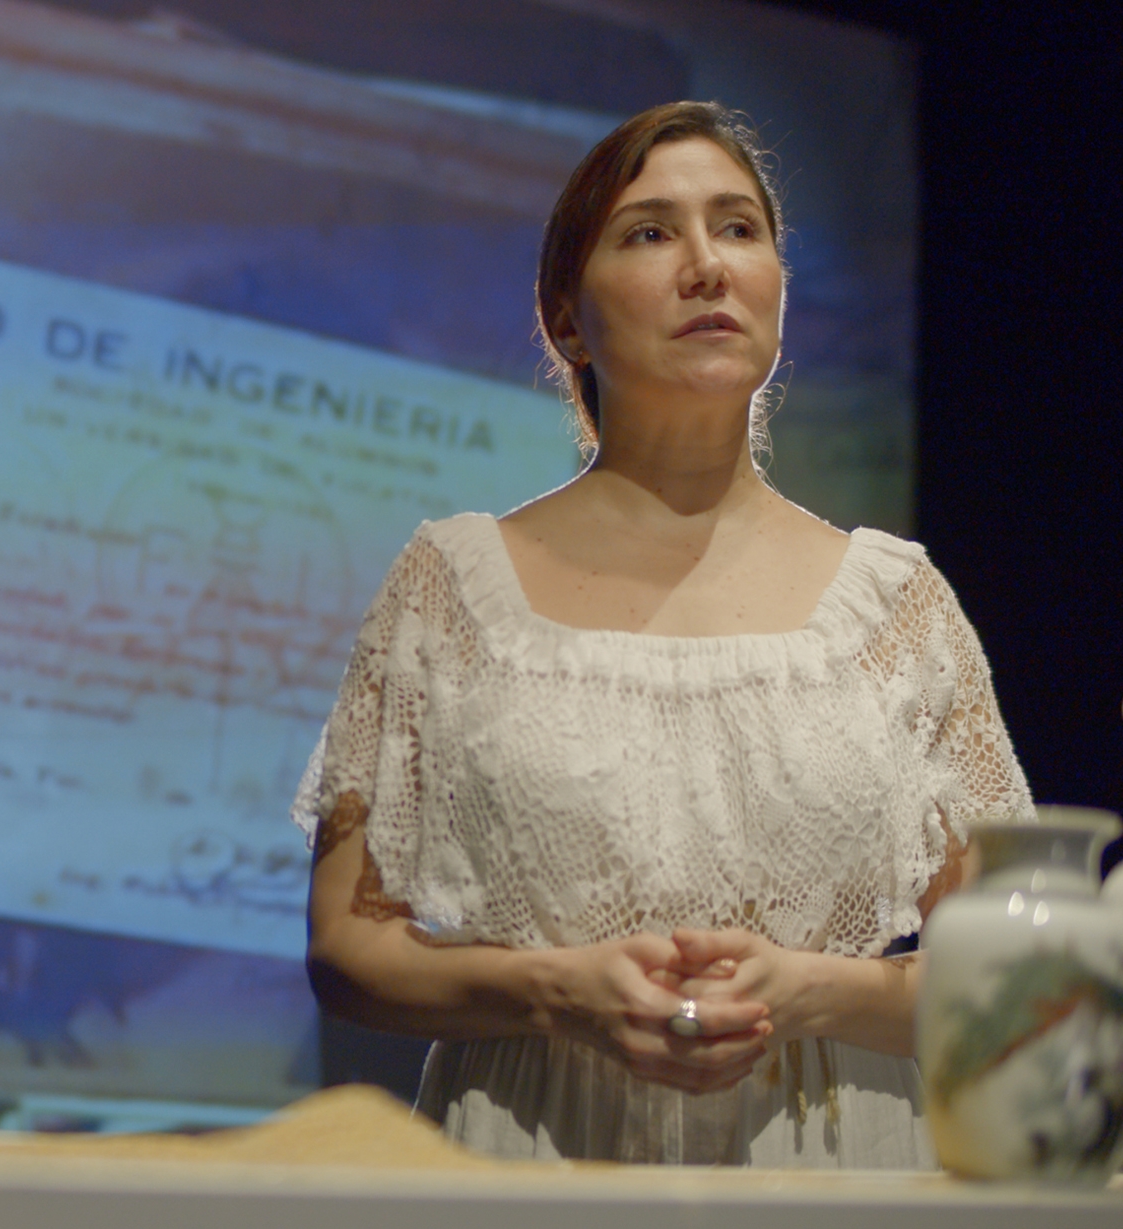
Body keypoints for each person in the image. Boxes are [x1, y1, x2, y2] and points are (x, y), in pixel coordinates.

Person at [295, 101, 1034, 1167]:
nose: (706, 266)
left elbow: (1004, 977)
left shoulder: (895, 605)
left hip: (828, 1155)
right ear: (563, 315)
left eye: (738, 228)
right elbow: (347, 945)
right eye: (649, 232)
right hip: (541, 1147)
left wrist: (808, 990)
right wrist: (562, 991)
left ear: (779, 286)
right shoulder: (454, 588)